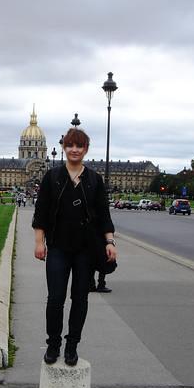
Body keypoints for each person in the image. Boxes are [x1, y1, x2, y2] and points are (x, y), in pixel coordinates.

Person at [32, 127, 117, 366]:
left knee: (80, 299)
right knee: (55, 299)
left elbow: (103, 215)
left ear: (86, 149)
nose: (74, 150)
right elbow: (41, 213)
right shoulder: (53, 177)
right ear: (64, 148)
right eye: (70, 145)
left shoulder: (94, 179)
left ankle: (72, 346)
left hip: (86, 249)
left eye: (79, 146)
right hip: (58, 246)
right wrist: (40, 243)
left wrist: (109, 241)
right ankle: (53, 344)